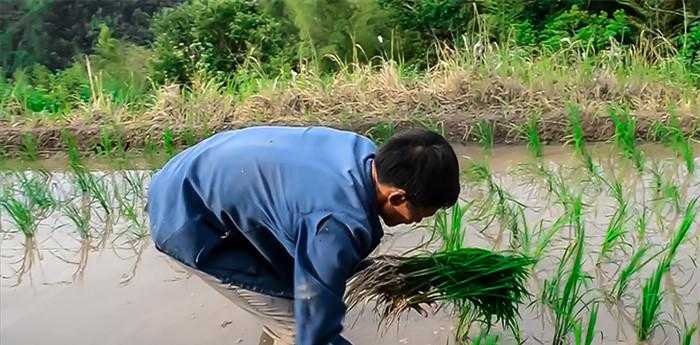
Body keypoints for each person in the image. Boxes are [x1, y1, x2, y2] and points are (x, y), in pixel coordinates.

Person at [147, 126, 460, 345]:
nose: (417, 221)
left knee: (289, 297)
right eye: (421, 213)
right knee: (295, 325)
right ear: (396, 198)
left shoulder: (363, 153)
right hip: (188, 219)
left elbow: (320, 249)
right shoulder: (336, 224)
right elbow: (315, 330)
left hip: (198, 172)